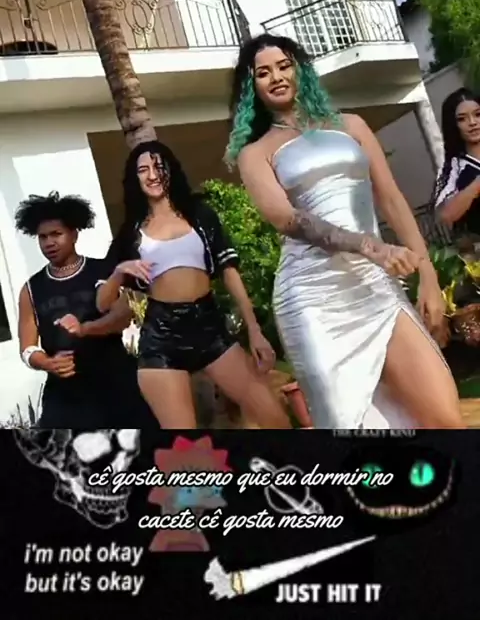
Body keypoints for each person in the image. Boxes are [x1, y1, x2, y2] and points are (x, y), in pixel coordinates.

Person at [225, 33, 465, 430]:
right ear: (252, 88)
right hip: (313, 300)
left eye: (284, 66)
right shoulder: (255, 153)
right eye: (263, 73)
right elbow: (288, 220)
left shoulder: (351, 125)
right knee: (352, 429)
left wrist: (427, 275)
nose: (277, 77)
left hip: (375, 285)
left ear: (301, 70)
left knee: (445, 420)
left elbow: (392, 199)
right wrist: (370, 246)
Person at [97, 140, 290, 430]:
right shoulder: (130, 233)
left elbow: (229, 272)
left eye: (159, 167)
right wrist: (118, 273)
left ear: (170, 171)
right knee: (185, 442)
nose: (152, 175)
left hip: (209, 326)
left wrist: (254, 330)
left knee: (274, 418)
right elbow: (102, 303)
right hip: (161, 337)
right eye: (143, 169)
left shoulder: (199, 215)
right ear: (134, 178)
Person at [15, 192, 155, 429]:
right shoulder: (30, 289)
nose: (49, 243)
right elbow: (27, 348)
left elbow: (122, 318)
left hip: (116, 383)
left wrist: (85, 329)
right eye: (43, 237)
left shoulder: (104, 271)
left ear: (74, 234)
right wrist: (47, 363)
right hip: (66, 395)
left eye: (56, 234)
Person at [433, 88, 480, 237]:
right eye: (462, 119)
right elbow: (444, 216)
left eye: (478, 115)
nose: (472, 122)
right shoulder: (454, 168)